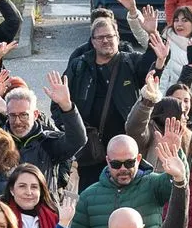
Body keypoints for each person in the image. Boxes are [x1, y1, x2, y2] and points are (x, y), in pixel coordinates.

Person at [58, 17, 163, 188]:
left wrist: (152, 32)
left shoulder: (131, 62)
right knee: (92, 199)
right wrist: (72, 131)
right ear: (93, 41)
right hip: (91, 152)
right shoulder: (79, 66)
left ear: (118, 38)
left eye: (110, 36)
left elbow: (152, 71)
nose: (105, 40)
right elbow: (59, 104)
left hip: (125, 151)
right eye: (100, 37)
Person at [0, 71, 87, 192]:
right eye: (13, 115)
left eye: (24, 115)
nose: (18, 121)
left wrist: (66, 106)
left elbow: (78, 140)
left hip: (40, 208)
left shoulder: (48, 143)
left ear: (35, 114)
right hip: (4, 206)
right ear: (6, 113)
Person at [69, 133, 185, 228]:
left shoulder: (153, 184)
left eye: (129, 163)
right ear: (108, 161)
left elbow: (179, 183)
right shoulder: (88, 197)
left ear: (138, 159)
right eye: (116, 164)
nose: (123, 169)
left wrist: (176, 155)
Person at [117, 0, 192, 94]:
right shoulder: (165, 43)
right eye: (176, 20)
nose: (179, 24)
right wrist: (134, 12)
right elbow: (141, 34)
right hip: (167, 102)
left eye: (184, 20)